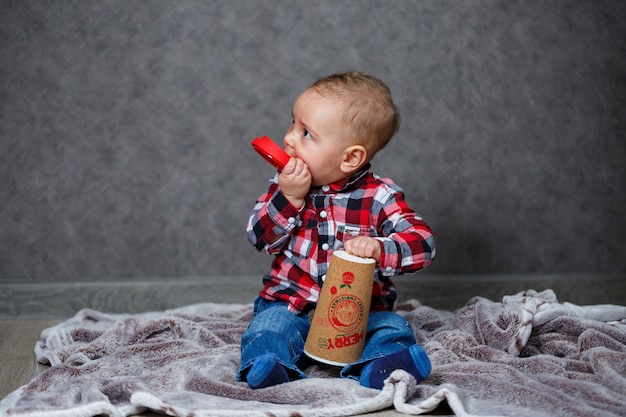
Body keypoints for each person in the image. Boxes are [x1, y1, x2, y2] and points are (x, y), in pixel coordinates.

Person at [238, 71, 436, 390]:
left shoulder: (379, 196)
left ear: (350, 158)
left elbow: (423, 243)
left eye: (306, 134)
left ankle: (382, 365)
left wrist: (379, 248)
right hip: (293, 301)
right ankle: (272, 365)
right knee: (268, 327)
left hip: (360, 312)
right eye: (293, 123)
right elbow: (259, 237)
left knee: (392, 327)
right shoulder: (285, 187)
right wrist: (288, 198)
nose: (288, 138)